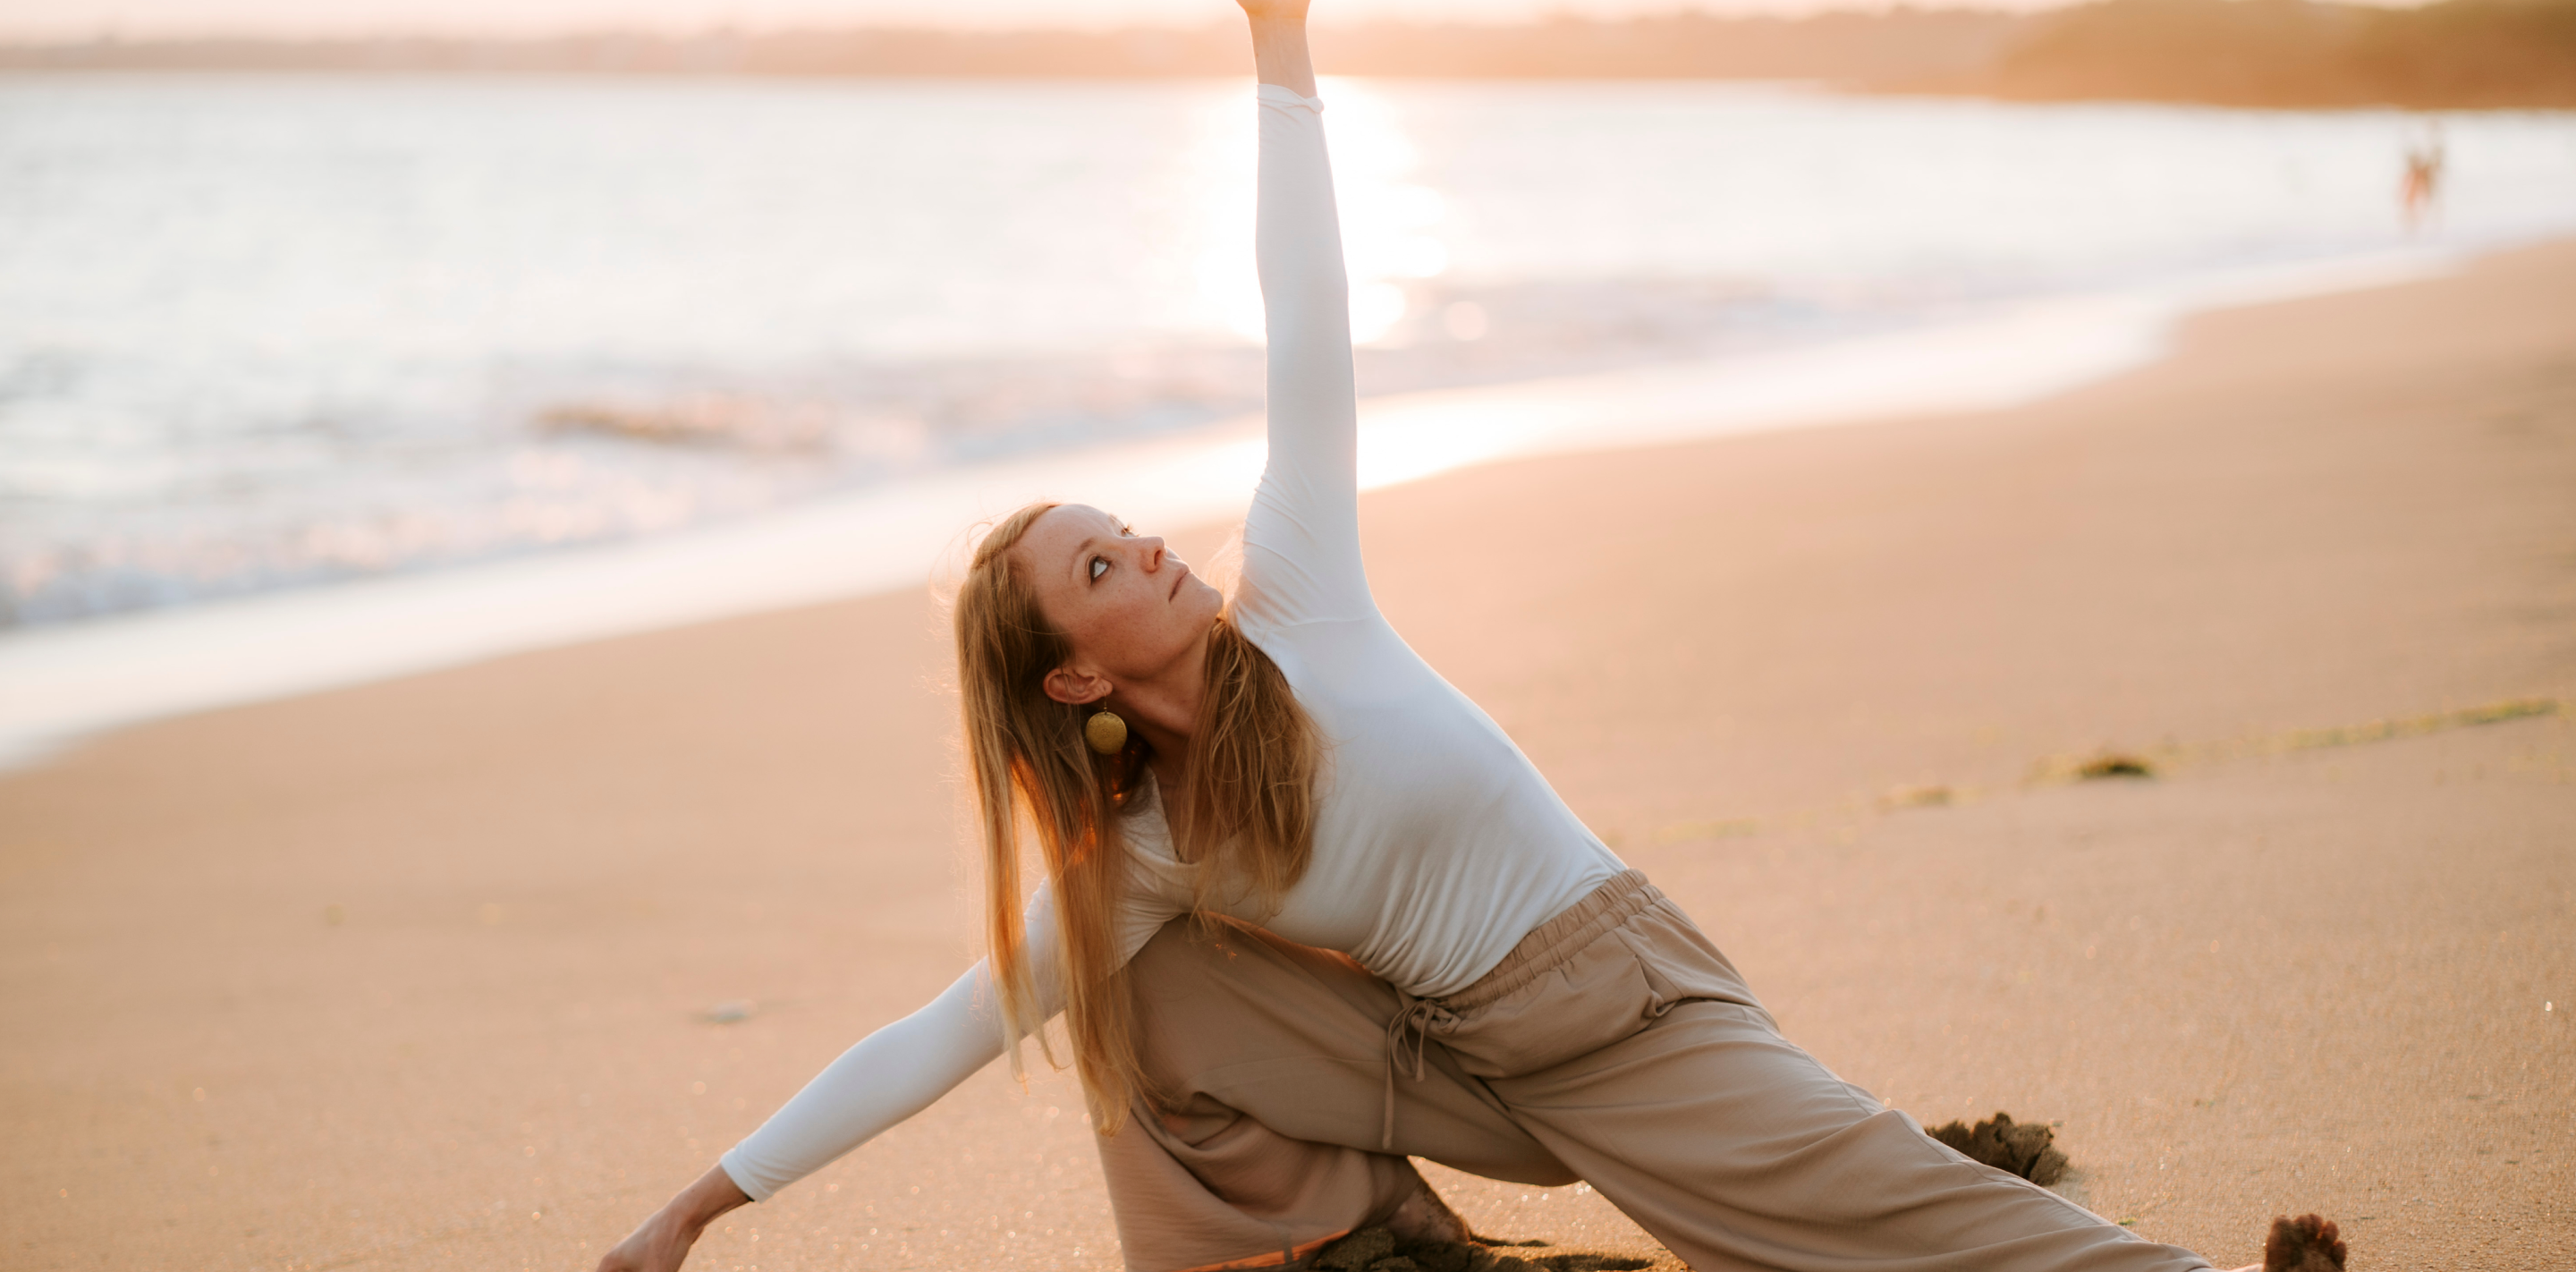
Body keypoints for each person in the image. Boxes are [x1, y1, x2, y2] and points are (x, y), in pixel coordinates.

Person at [597, 5, 2350, 1270]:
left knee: (1900, 1217)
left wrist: (1278, 49)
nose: (1142, 538)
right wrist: (696, 1209)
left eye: (1117, 525)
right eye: (1099, 566)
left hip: (1627, 1012)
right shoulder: (1142, 852)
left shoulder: (1303, 593)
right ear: (1072, 672)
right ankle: (1358, 1260)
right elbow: (944, 1030)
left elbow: (1309, 313)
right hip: (1462, 1065)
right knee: (1131, 1008)